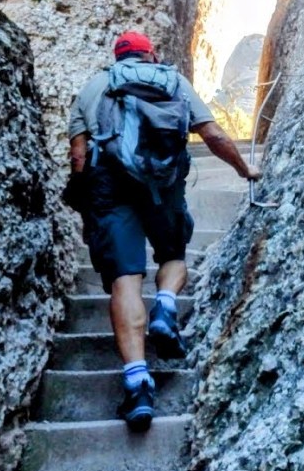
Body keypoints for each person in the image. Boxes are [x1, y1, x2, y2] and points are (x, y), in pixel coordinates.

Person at [66, 31, 262, 432]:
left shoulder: (93, 87)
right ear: (151, 54)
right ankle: (167, 305)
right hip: (163, 186)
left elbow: (79, 156)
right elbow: (213, 135)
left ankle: (138, 385)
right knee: (173, 257)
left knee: (125, 281)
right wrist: (245, 170)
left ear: (116, 57)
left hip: (111, 191)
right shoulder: (172, 81)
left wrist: (90, 210)